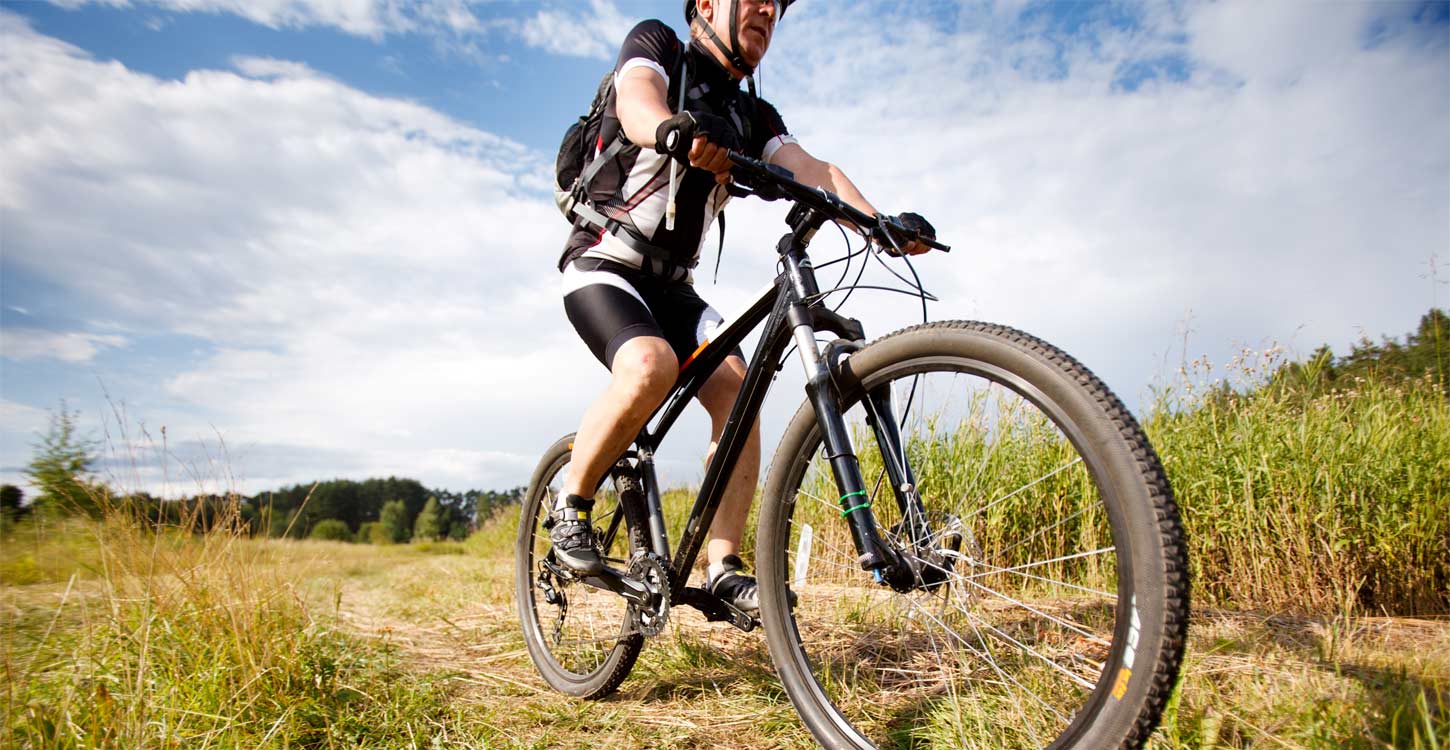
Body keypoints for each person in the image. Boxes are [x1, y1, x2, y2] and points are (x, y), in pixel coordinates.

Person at [551, 0, 935, 613]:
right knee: (650, 366)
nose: (766, 11)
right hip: (605, 263)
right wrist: (670, 129)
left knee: (739, 394)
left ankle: (723, 567)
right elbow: (638, 99)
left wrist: (876, 222)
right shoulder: (662, 48)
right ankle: (570, 505)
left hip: (675, 286)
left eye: (776, 7)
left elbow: (810, 168)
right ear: (707, 4)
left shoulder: (751, 114)